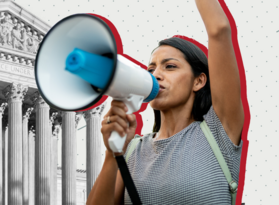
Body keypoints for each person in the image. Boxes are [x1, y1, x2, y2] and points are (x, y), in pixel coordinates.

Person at [86, 0, 244, 204]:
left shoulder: (218, 132)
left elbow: (219, 30)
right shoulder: (132, 150)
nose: (156, 75)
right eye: (150, 70)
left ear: (199, 81)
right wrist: (112, 154)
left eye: (169, 67)